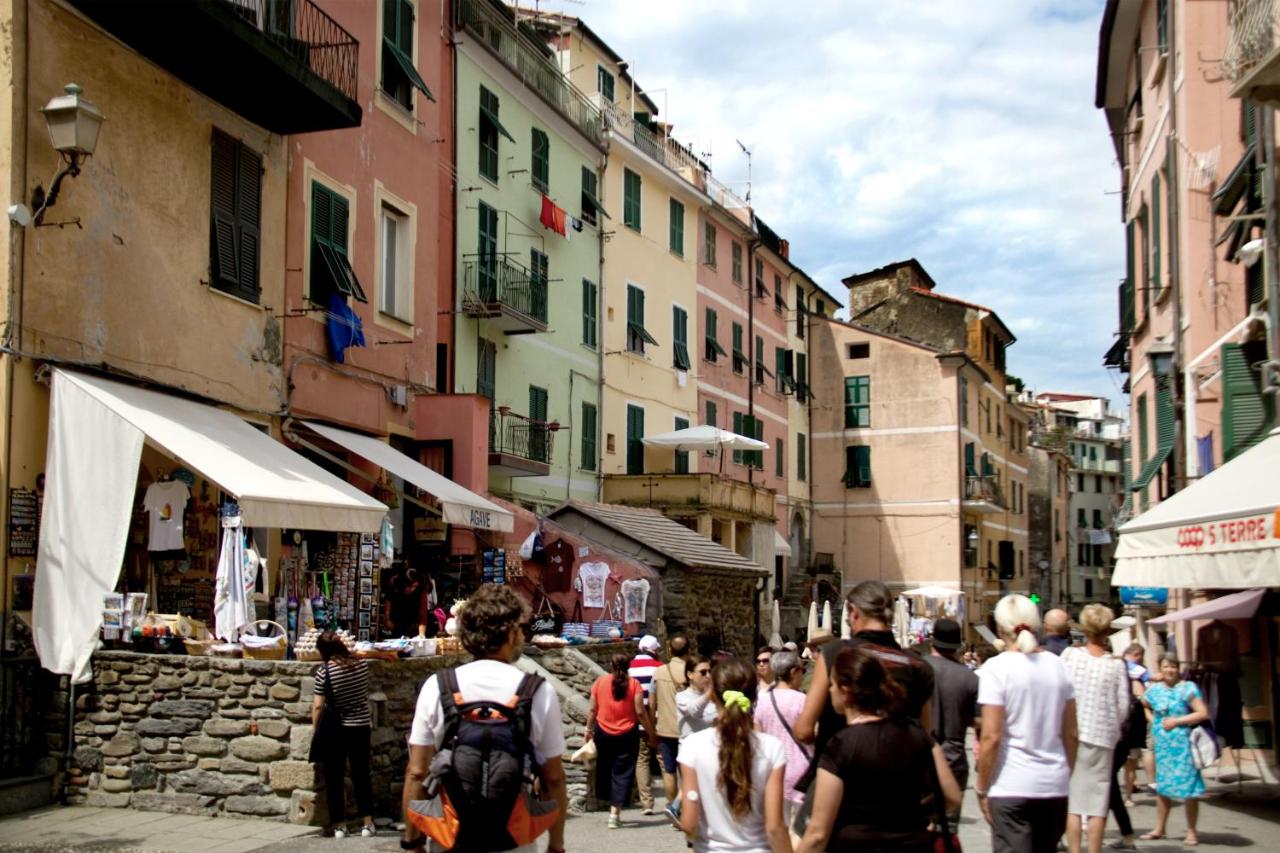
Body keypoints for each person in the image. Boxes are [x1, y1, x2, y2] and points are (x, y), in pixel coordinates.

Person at [400, 585, 567, 853]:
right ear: (510, 633)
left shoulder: (438, 686)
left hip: (450, 838)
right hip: (513, 841)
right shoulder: (537, 691)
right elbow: (554, 779)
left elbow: (417, 772)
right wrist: (556, 845)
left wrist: (412, 842)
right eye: (520, 629)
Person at [796, 645, 961, 852]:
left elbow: (817, 834)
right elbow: (952, 796)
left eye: (833, 684)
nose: (830, 690)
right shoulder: (917, 735)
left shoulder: (841, 745)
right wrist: (917, 813)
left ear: (845, 691)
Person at [975, 594, 1078, 853]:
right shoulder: (1059, 666)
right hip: (1053, 784)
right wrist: (1066, 774)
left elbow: (991, 736)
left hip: (1011, 785)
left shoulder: (996, 668)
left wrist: (982, 787)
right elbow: (1071, 733)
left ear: (1000, 628)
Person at [795, 581, 934, 759]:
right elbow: (926, 732)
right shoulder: (918, 665)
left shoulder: (834, 654)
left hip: (840, 766)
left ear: (853, 613)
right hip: (902, 769)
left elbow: (804, 730)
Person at [677, 657, 792, 853]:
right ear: (754, 696)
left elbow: (689, 823)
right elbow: (775, 827)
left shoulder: (692, 746)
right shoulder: (772, 747)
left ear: (713, 695)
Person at [1061, 604, 1132, 853]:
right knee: (1097, 804)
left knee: (1073, 801)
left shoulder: (1070, 656)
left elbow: (1059, 692)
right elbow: (1123, 706)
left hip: (1072, 734)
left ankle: (1074, 850)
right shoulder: (1116, 665)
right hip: (1103, 736)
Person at [1140, 655, 1210, 846]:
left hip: (1184, 746)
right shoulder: (1154, 690)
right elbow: (1143, 704)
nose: (1169, 670)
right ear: (1160, 669)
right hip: (1163, 747)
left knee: (1189, 788)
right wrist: (1154, 722)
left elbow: (1203, 713)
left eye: (1173, 666)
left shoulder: (1188, 688)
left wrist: (1177, 721)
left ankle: (1191, 831)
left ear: (1178, 668)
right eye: (1165, 666)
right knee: (1162, 787)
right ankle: (1159, 828)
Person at [311, 632, 375, 838]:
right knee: (361, 774)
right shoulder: (362, 665)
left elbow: (318, 705)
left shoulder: (325, 671)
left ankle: (339, 825)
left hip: (336, 728)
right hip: (361, 724)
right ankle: (367, 823)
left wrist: (315, 729)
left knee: (334, 777)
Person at [923, 617, 979, 825]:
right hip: (954, 761)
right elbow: (978, 720)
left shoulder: (918, 668)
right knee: (948, 829)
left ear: (932, 641)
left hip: (920, 760)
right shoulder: (969, 678)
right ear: (958, 645)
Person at [589, 653, 653, 829]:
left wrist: (588, 729)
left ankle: (608, 803)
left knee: (605, 767)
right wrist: (650, 732)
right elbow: (640, 711)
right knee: (623, 771)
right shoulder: (634, 684)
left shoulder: (600, 682)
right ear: (628, 666)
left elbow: (593, 709)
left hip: (603, 731)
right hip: (627, 733)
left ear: (611, 665)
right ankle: (614, 812)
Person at [753, 651, 810, 827]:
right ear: (793, 672)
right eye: (801, 671)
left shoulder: (763, 701)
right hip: (801, 773)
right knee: (798, 830)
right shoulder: (803, 701)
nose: (803, 675)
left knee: (778, 826)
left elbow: (758, 738)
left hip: (773, 772)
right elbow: (812, 734)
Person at [652, 633, 690, 817]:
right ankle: (684, 807)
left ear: (670, 650)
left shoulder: (659, 672)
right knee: (687, 771)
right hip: (687, 729)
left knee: (669, 770)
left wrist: (652, 726)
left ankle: (672, 807)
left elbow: (652, 703)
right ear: (688, 650)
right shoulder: (691, 672)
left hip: (665, 727)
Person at [629, 634, 664, 814]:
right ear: (654, 650)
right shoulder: (660, 668)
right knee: (664, 759)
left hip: (638, 721)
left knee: (642, 760)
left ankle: (646, 803)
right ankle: (672, 802)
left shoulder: (629, 669)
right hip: (659, 721)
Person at [382, 566, 435, 638]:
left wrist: (421, 634)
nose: (412, 589)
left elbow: (423, 613)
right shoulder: (396, 584)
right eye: (409, 586)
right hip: (396, 621)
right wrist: (387, 618)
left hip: (412, 622)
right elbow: (388, 600)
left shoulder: (421, 590)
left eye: (414, 587)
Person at [677, 653, 719, 739]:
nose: (708, 676)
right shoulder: (681, 697)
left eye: (710, 671)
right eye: (703, 672)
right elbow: (695, 712)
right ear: (690, 675)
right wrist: (709, 693)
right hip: (691, 745)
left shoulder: (713, 696)